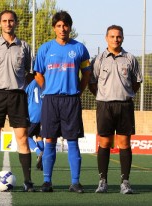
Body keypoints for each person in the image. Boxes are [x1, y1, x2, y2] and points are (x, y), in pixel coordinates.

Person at [33, 10, 91, 193]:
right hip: (50, 100)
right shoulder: (45, 48)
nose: (62, 28)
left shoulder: (80, 48)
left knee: (72, 141)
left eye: (65, 25)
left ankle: (75, 182)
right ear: (54, 28)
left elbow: (87, 74)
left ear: (70, 27)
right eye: (58, 25)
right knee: (49, 140)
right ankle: (47, 182)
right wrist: (48, 89)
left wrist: (78, 91)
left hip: (71, 100)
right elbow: (38, 74)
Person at [0, 10, 35, 192]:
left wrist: (18, 85)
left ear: (16, 23)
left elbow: (29, 72)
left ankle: (28, 181)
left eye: (11, 21)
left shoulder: (24, 47)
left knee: (22, 139)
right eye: (4, 21)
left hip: (17, 96)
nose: (8, 24)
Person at [89, 25, 142, 194]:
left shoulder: (130, 59)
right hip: (104, 105)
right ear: (106, 38)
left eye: (118, 36)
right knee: (104, 142)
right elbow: (92, 82)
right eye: (112, 36)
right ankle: (102, 181)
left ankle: (125, 182)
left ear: (123, 38)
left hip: (125, 105)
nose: (115, 39)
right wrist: (103, 95)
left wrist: (126, 94)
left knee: (124, 143)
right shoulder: (98, 59)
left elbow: (136, 82)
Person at [25, 75, 44, 170]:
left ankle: (38, 152)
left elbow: (24, 95)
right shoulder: (44, 81)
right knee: (39, 136)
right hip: (44, 113)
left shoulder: (31, 84)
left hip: (33, 113)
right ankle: (43, 162)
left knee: (25, 136)